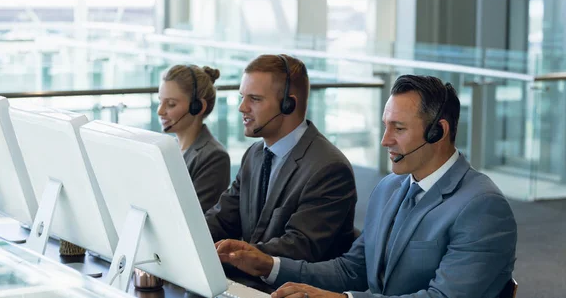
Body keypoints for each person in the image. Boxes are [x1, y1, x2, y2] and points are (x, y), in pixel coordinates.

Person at [215, 75, 518, 298]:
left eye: (398, 129)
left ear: (438, 132)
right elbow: (352, 270)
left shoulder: (482, 207)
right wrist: (268, 265)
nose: (385, 140)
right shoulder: (390, 188)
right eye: (386, 126)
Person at [205, 54, 357, 263]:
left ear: (288, 105)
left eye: (255, 99)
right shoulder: (254, 155)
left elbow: (298, 248)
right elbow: (222, 218)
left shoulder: (328, 168)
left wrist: (231, 257)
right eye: (242, 97)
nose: (242, 107)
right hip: (248, 284)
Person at [157, 64, 230, 213]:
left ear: (197, 107)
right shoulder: (170, 149)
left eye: (171, 104)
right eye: (160, 101)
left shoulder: (213, 156)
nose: (160, 111)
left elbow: (194, 218)